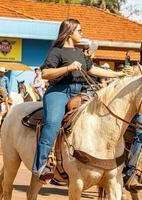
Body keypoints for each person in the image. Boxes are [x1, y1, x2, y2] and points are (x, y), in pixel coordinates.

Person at [32, 18, 125, 182]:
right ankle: (41, 166)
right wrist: (68, 67)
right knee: (53, 123)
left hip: (80, 92)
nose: (82, 34)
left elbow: (93, 69)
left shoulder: (79, 53)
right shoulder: (56, 51)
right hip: (59, 92)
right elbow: (46, 73)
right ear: (69, 32)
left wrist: (118, 74)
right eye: (79, 31)